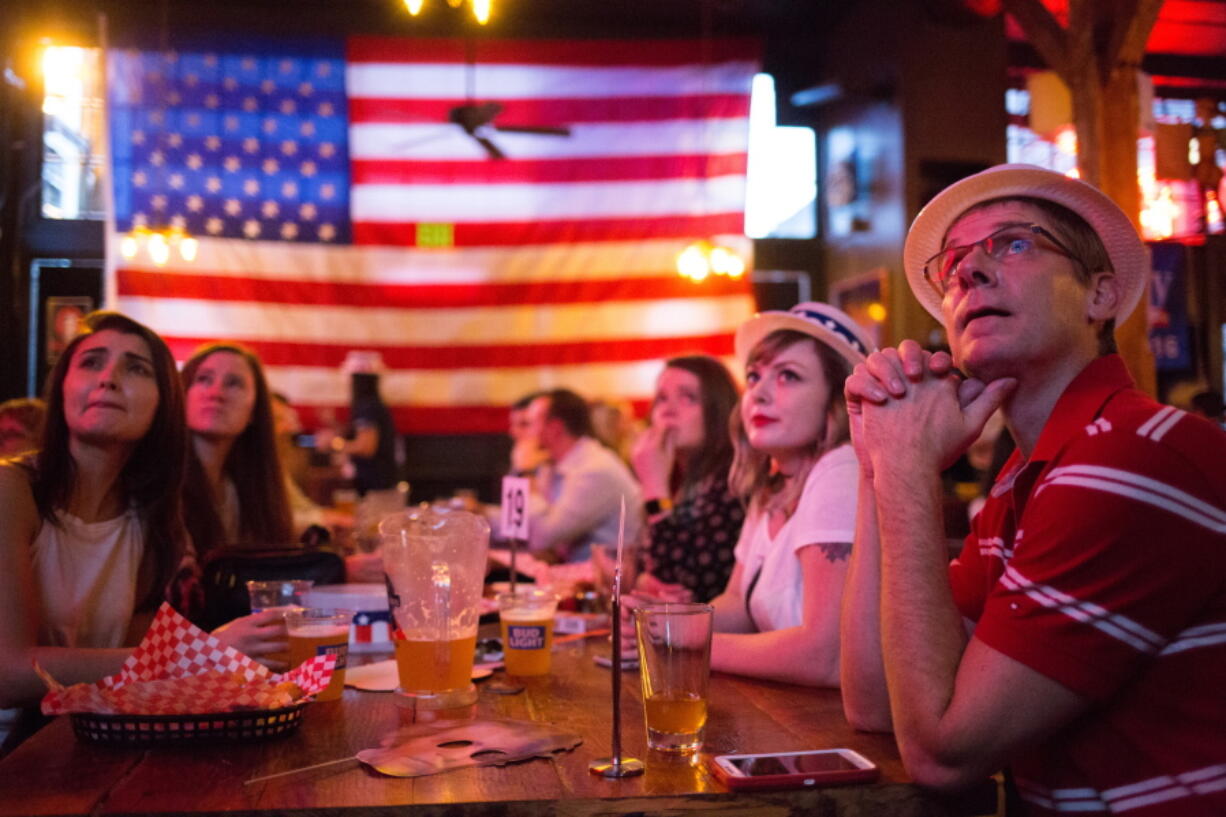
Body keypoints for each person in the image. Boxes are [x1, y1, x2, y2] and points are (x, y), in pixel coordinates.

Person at [840, 164, 1225, 815]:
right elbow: (873, 702)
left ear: (1100, 296)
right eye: (954, 261)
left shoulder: (1130, 456)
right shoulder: (1021, 482)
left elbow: (942, 753)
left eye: (1013, 243)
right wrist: (878, 459)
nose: (968, 272)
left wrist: (908, 469)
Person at [0, 312, 188, 750]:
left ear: (163, 403)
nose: (108, 379)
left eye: (136, 368)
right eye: (90, 362)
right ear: (62, 387)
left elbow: (129, 681)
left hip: (72, 743)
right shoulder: (11, 489)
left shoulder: (154, 520)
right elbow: (7, 673)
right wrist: (187, 656)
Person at [672, 303, 872, 687]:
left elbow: (826, 654)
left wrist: (685, 641)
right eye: (754, 376)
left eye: (788, 377)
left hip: (836, 731)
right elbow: (738, 605)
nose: (759, 393)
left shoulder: (840, 471)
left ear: (837, 400)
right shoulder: (775, 484)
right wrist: (668, 621)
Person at [630, 356, 743, 603]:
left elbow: (688, 583)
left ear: (718, 410)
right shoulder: (681, 477)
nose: (668, 410)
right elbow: (645, 564)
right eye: (661, 398)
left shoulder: (735, 479)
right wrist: (642, 581)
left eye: (687, 397)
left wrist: (654, 489)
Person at [521, 388, 643, 563]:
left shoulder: (594, 470)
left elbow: (542, 538)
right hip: (573, 573)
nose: (522, 434)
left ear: (554, 428)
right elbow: (520, 525)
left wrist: (527, 474)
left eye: (529, 424)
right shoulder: (556, 464)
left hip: (607, 583)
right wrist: (481, 514)